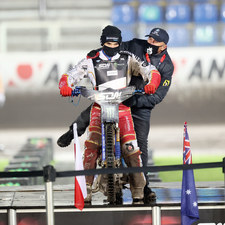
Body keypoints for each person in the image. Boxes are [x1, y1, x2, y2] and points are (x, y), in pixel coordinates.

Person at [58, 27, 174, 203]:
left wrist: (149, 86)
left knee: (135, 148)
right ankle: (86, 187)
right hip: (108, 99)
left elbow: (153, 79)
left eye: (154, 41)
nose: (149, 42)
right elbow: (71, 74)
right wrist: (65, 85)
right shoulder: (129, 48)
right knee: (91, 143)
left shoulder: (160, 63)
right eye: (149, 38)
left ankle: (141, 188)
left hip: (136, 103)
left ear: (163, 46)